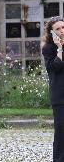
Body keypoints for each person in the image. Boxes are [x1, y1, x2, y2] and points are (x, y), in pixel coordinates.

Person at [42, 16, 64, 162]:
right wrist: (60, 48)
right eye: (58, 29)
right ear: (51, 32)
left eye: (63, 27)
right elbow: (54, 67)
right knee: (61, 132)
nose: (62, 31)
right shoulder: (48, 49)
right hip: (60, 95)